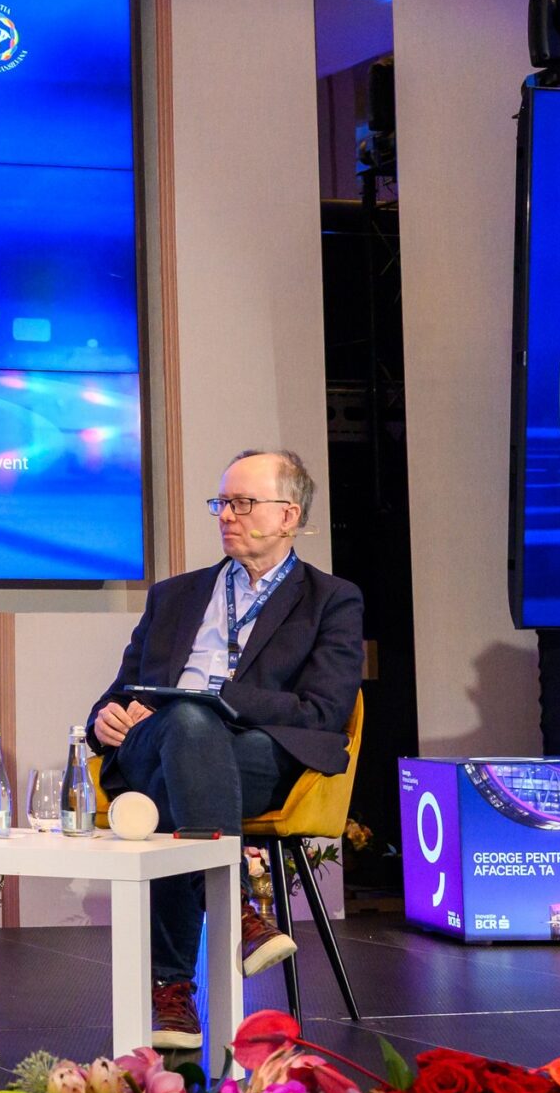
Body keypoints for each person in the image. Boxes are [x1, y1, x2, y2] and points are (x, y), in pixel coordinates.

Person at [85, 449, 365, 1051]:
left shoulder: (331, 600)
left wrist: (217, 698)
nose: (226, 516)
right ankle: (236, 907)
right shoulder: (174, 596)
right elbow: (121, 690)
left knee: (181, 758)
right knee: (184, 729)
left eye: (243, 503)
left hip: (259, 757)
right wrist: (103, 720)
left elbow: (323, 711)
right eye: (221, 503)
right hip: (156, 743)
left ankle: (171, 988)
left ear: (288, 515)